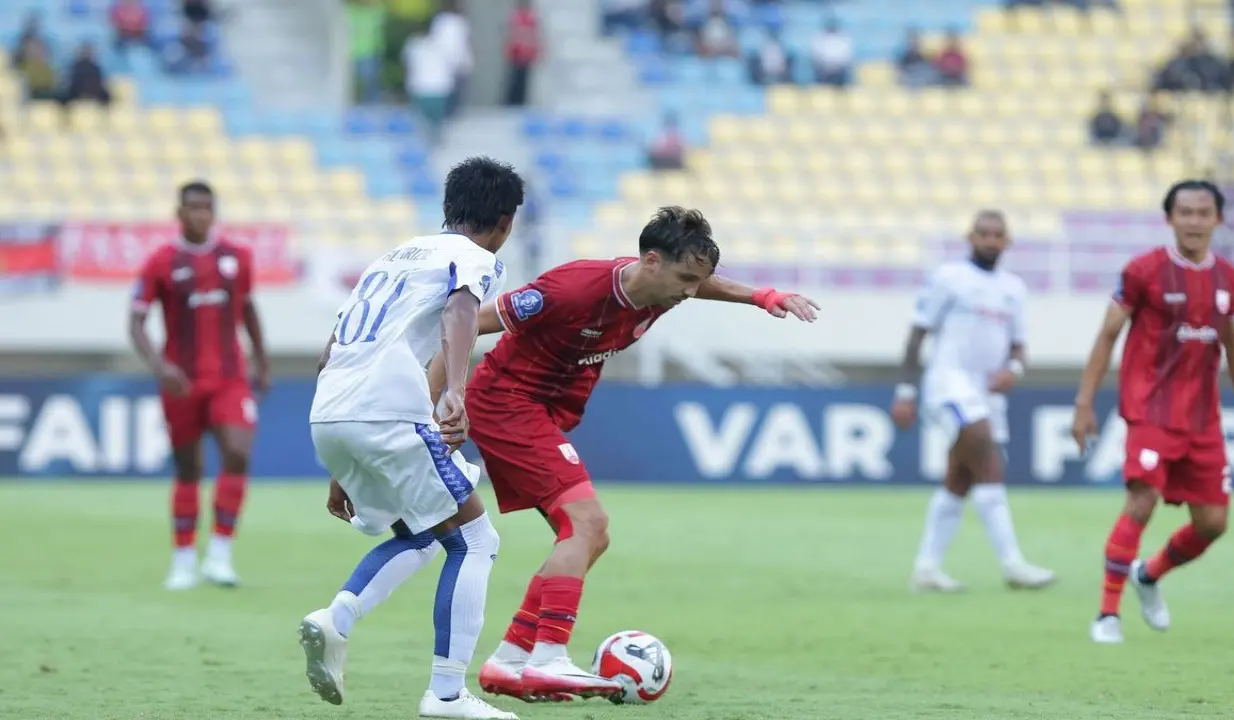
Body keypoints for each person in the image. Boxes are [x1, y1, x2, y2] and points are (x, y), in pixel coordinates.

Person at [423, 207, 821, 702]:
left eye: (699, 280)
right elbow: (463, 324)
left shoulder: (664, 288)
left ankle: (511, 659)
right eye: (686, 279)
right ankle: (549, 656)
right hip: (505, 402)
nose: (692, 292)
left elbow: (707, 283)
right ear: (651, 261)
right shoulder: (573, 289)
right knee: (587, 524)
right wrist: (435, 398)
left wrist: (763, 297)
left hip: (541, 410)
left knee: (589, 536)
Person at [298, 157, 524, 720]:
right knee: (474, 540)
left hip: (331, 412)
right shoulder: (474, 259)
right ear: (504, 221)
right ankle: (446, 694)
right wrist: (456, 391)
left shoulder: (394, 258)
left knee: (427, 535)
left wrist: (341, 464)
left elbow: (332, 349)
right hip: (388, 414)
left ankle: (337, 620)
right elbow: (461, 312)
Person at [1074, 180, 1234, 645]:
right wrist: (1084, 402)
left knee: (1213, 524)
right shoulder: (1144, 271)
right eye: (1185, 212)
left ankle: (1149, 575)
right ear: (1170, 219)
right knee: (1142, 500)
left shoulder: (1229, 279)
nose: (1194, 221)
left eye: (1203, 213)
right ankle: (1106, 615)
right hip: (1150, 412)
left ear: (1218, 219)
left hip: (1203, 420)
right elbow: (1107, 335)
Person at [891, 211, 1056, 593]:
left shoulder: (1014, 289)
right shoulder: (949, 277)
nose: (990, 240)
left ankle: (927, 568)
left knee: (959, 478)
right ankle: (1013, 564)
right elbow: (917, 334)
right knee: (984, 452)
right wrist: (904, 392)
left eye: (997, 235)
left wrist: (1013, 370)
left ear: (1007, 241)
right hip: (948, 384)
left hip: (987, 394)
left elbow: (1019, 346)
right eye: (983, 233)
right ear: (970, 236)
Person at [129, 181, 269, 590]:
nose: (201, 214)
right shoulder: (161, 262)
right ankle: (184, 560)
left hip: (229, 379)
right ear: (180, 213)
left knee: (238, 453)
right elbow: (136, 320)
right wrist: (160, 366)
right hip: (182, 384)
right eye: (193, 208)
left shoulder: (236, 258)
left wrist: (261, 360)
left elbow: (247, 308)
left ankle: (220, 556)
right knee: (189, 469)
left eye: (207, 207)